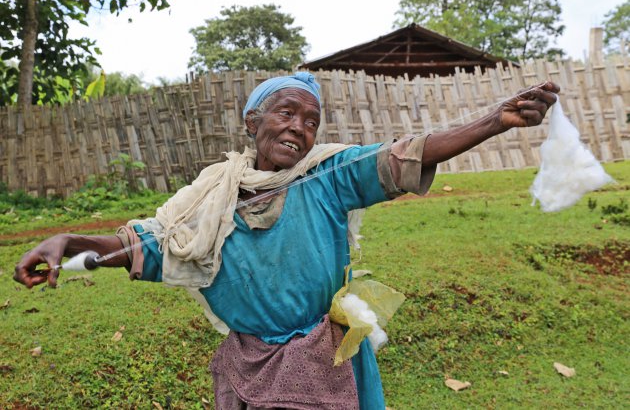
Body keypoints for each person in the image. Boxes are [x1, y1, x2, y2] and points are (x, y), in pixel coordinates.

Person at [14, 72, 560, 409]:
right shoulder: (212, 199)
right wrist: (69, 239)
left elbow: (404, 155)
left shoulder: (330, 177)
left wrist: (495, 121)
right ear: (253, 122)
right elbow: (154, 245)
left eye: (311, 120)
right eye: (286, 113)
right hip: (250, 363)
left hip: (325, 359)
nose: (299, 128)